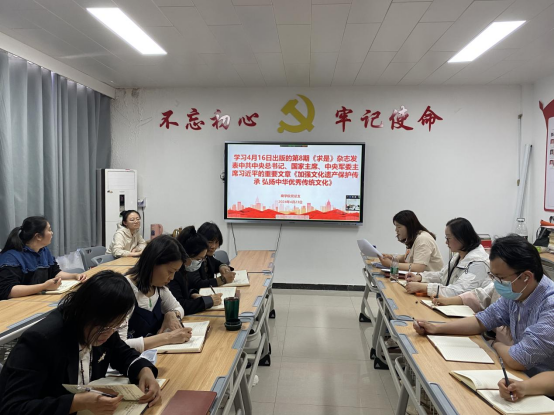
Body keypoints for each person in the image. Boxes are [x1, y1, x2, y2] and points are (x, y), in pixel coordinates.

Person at [0, 271, 161, 415]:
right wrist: (76, 403)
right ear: (84, 312)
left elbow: (122, 353)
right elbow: (13, 408)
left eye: (115, 327)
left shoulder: (104, 326)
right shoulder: (42, 340)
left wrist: (144, 371)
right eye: (106, 327)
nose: (109, 333)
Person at [413, 235, 554, 376]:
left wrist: (494, 344)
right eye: (493, 276)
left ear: (526, 277)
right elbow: (483, 320)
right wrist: (436, 328)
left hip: (541, 385)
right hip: (520, 375)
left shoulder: (550, 306)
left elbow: (519, 359)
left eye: (501, 278)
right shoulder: (518, 293)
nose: (497, 283)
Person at [119, 235, 193, 353]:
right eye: (170, 271)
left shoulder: (158, 288)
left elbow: (179, 308)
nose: (172, 278)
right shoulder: (123, 292)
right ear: (153, 263)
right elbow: (120, 345)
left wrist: (172, 314)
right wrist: (168, 338)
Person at [0, 217, 87, 301]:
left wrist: (75, 276)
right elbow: (9, 291)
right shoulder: (10, 257)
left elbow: (55, 273)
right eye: (49, 230)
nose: (52, 233)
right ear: (38, 236)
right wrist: (44, 286)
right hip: (16, 303)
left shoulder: (44, 250)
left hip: (38, 299)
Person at [405, 218, 490, 297]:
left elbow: (459, 292)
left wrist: (424, 287)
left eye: (448, 238)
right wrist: (420, 277)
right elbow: (442, 276)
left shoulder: (478, 263)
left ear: (461, 238)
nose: (446, 242)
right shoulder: (459, 255)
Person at [168, 226, 223, 315]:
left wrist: (192, 294)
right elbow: (179, 305)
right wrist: (208, 301)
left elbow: (185, 290)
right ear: (187, 255)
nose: (201, 262)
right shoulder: (174, 273)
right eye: (198, 259)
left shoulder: (184, 269)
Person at [380, 211, 444, 273]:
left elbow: (418, 267)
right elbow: (408, 257)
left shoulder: (423, 239)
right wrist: (393, 257)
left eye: (399, 227)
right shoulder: (414, 238)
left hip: (430, 279)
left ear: (409, 227)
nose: (396, 230)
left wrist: (392, 264)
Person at [188, 222, 236, 290]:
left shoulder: (207, 256)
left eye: (216, 242)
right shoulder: (194, 258)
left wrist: (222, 266)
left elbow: (217, 263)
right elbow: (197, 284)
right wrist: (222, 280)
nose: (213, 246)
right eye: (210, 242)